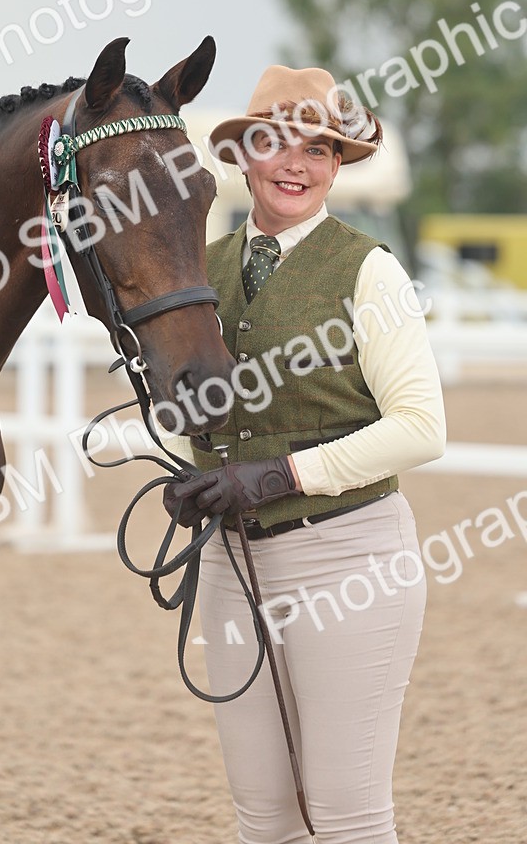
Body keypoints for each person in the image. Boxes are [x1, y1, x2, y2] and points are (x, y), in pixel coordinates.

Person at [165, 64, 446, 844]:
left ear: (335, 166)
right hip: (232, 565)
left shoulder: (370, 270)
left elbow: (421, 426)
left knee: (347, 815)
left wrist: (284, 474)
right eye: (276, 143)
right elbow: (184, 405)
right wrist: (185, 466)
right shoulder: (201, 269)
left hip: (350, 561)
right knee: (265, 815)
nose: (296, 163)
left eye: (317, 149)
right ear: (244, 155)